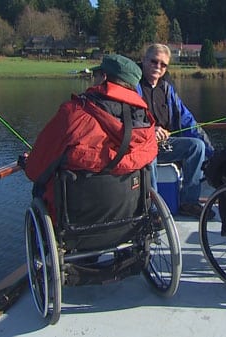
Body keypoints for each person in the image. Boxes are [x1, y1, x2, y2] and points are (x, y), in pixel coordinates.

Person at [24, 54, 157, 221]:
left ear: (104, 77)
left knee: (39, 186)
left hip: (75, 221)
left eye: (96, 75)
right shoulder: (145, 122)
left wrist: (28, 163)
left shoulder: (74, 113)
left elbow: (35, 170)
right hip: (130, 220)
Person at [137, 43, 215, 218]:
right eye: (154, 61)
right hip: (141, 144)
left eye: (163, 64)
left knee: (196, 146)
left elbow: (188, 121)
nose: (158, 67)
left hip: (164, 144)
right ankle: (153, 211)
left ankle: (189, 202)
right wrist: (151, 130)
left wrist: (212, 152)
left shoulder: (166, 89)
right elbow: (128, 120)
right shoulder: (133, 87)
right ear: (143, 60)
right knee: (149, 156)